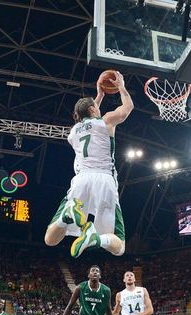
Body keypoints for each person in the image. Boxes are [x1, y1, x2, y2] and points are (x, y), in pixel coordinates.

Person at [44, 71, 134, 258]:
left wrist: (99, 96)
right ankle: (97, 240)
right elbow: (128, 108)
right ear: (93, 110)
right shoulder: (106, 121)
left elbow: (87, 119)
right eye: (96, 107)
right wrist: (121, 87)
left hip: (81, 180)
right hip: (104, 179)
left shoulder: (73, 132)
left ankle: (65, 217)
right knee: (119, 246)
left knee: (50, 240)